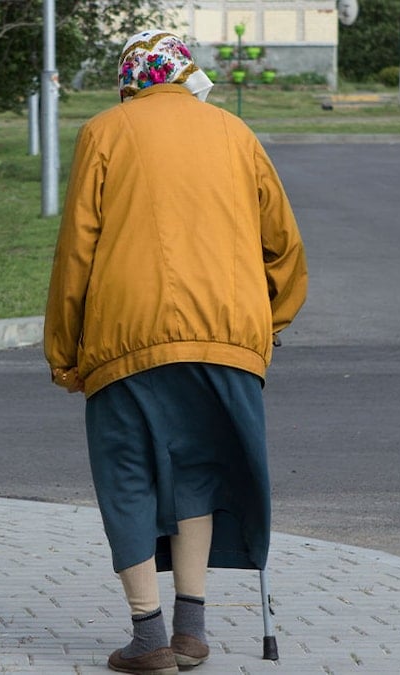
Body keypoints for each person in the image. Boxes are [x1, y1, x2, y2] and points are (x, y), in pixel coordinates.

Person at [43, 29, 308, 675]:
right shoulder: (234, 132)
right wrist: (267, 320)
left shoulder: (104, 132)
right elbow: (284, 243)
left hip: (126, 337)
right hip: (228, 335)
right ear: (186, 74)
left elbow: (78, 249)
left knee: (127, 475)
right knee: (198, 473)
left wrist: (64, 351)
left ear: (129, 80)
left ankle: (147, 638)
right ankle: (191, 632)